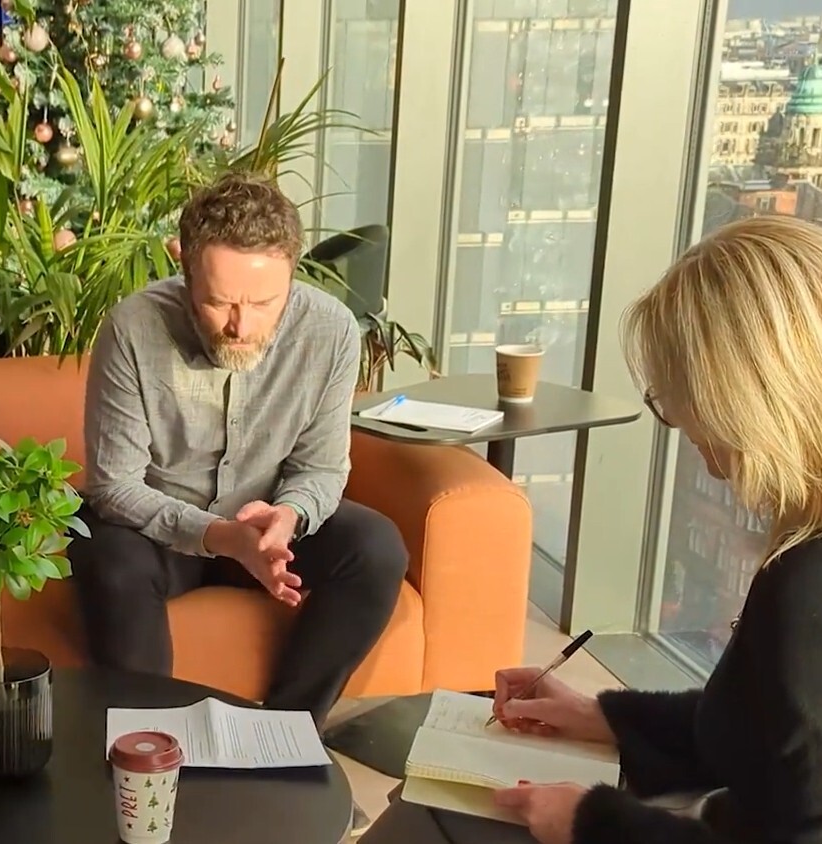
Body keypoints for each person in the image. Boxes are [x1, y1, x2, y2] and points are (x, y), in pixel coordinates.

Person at [362, 214, 822, 844]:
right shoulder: (800, 557)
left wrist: (593, 823)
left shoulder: (805, 587)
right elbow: (763, 738)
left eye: (678, 394)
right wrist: (602, 717)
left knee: (434, 814)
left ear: (743, 395)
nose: (679, 421)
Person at [68, 171, 410, 728]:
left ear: (292, 271)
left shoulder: (332, 332)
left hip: (267, 527)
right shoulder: (133, 327)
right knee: (103, 554)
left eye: (264, 302)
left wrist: (289, 516)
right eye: (219, 301)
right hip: (159, 533)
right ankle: (149, 744)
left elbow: (321, 468)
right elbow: (114, 485)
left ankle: (284, 732)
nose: (241, 325)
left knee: (376, 548)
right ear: (185, 268)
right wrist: (221, 536)